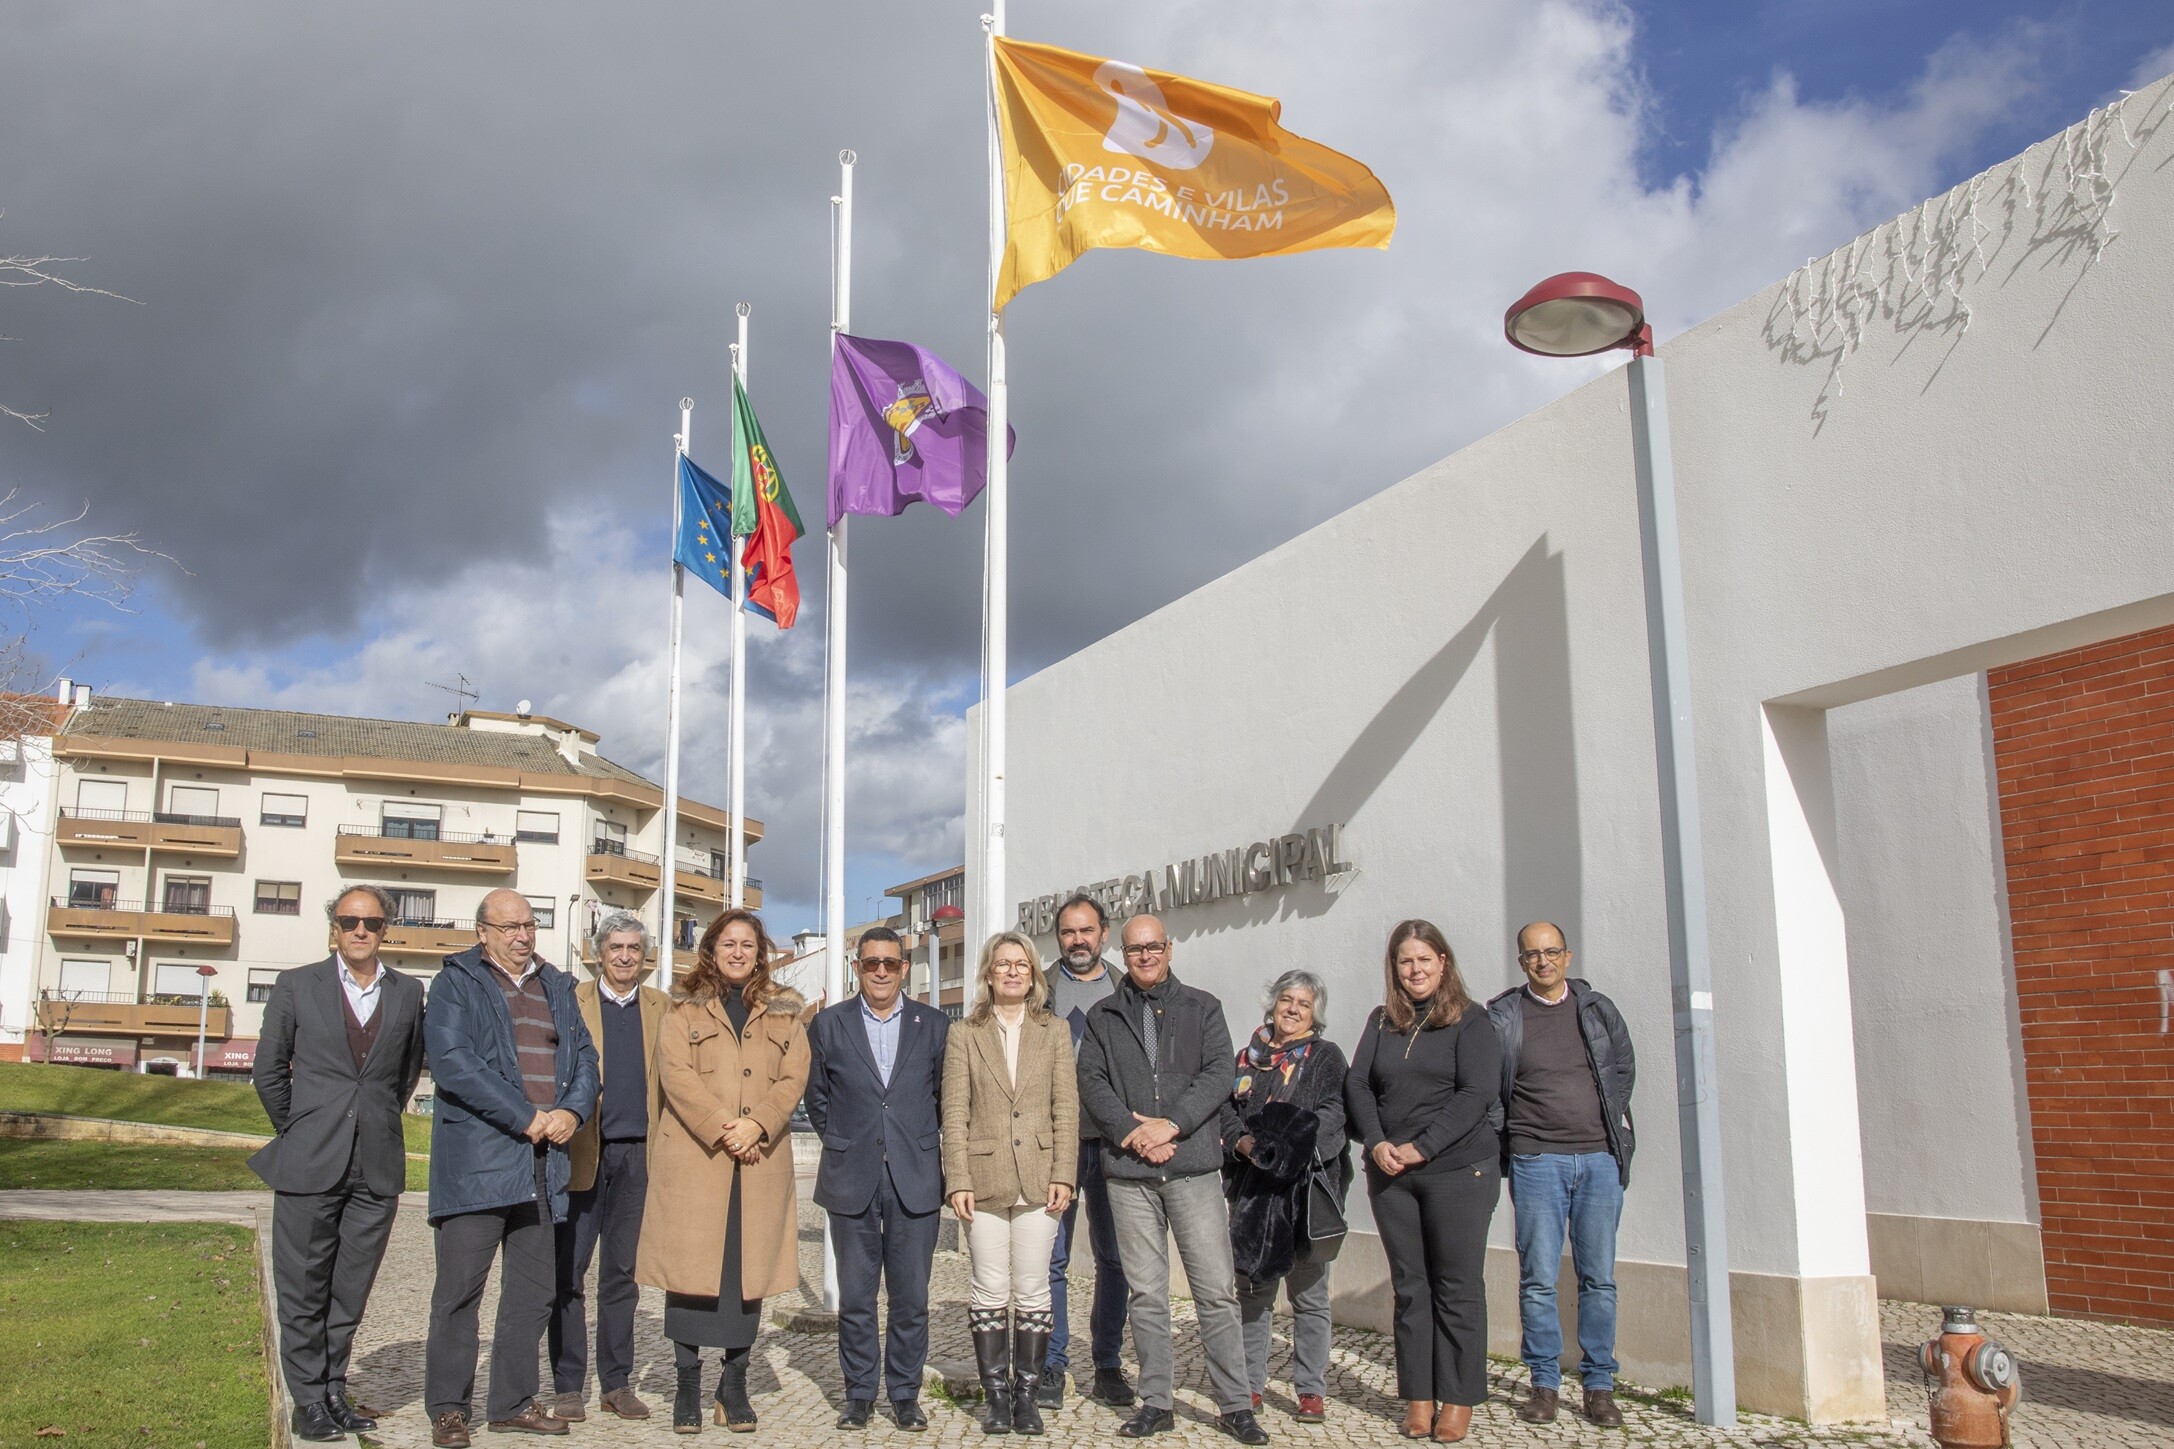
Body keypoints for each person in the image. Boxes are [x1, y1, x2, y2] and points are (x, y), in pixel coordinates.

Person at [1077, 914, 1266, 1446]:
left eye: (1153, 947)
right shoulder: (1103, 1014)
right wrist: (1131, 1133)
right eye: (1135, 949)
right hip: (1129, 1173)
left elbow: (1217, 1077)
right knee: (1147, 1295)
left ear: (1169, 949)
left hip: (1193, 1169)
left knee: (1215, 1292)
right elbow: (1090, 1080)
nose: (1144, 956)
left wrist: (1172, 1124)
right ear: (1124, 952)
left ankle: (1235, 1405)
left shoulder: (1203, 1007)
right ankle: (1157, 1401)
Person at [423, 889, 600, 1446]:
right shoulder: (456, 982)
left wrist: (571, 1111)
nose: (522, 936)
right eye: (509, 928)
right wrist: (526, 1115)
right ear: (482, 932)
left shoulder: (558, 985)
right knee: (459, 1294)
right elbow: (454, 1064)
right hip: (478, 1163)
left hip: (543, 1165)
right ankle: (450, 1409)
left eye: (529, 925)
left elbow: (587, 1060)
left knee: (533, 1292)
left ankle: (513, 1402)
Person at [250, 885, 427, 1442]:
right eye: (350, 921)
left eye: (371, 923)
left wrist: (370, 1120)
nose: (360, 931)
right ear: (334, 926)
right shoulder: (297, 984)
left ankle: (333, 1389)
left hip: (374, 1164)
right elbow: (268, 1072)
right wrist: (300, 1129)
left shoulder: (406, 992)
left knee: (350, 1288)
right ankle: (307, 1398)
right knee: (303, 1286)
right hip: (309, 1160)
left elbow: (403, 1076)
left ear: (385, 930)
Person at [634, 908, 809, 1433]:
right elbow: (676, 1075)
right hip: (696, 1157)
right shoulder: (681, 1009)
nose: (737, 953)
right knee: (689, 1274)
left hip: (757, 1160)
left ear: (761, 954)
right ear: (711, 950)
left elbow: (793, 1076)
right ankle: (686, 1384)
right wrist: (723, 1127)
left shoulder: (785, 1012)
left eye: (748, 945)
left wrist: (756, 1126)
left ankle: (733, 1387)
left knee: (744, 1273)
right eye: (728, 943)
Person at [1346, 920, 1502, 1444]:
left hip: (1458, 1171)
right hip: (1393, 1175)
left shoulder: (1471, 1022)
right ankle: (1419, 1397)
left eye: (1423, 959)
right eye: (1404, 961)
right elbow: (1357, 1084)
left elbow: (1476, 1094)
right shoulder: (1382, 1020)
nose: (1414, 970)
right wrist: (1377, 1141)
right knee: (1412, 1289)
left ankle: (1457, 1400)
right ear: (1394, 968)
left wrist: (1424, 1145)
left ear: (1444, 962)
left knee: (1456, 1288)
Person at [1486, 921, 1635, 1429]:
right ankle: (1544, 1384)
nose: (1543, 961)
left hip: (1598, 1159)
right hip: (1535, 1161)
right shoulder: (1503, 1015)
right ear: (1521, 960)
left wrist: (1607, 1129)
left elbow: (1623, 1071)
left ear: (1567, 957)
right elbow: (1492, 1086)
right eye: (1532, 954)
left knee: (1598, 1279)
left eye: (1552, 952)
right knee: (1538, 1280)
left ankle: (1598, 1387)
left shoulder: (1596, 1009)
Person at [805, 924, 950, 1431]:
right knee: (857, 1296)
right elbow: (816, 1100)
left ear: (905, 967)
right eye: (872, 964)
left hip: (915, 1176)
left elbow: (942, 1099)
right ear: (857, 968)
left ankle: (905, 1394)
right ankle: (860, 1393)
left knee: (911, 1296)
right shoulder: (828, 1025)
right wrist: (848, 1141)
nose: (882, 971)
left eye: (891, 963)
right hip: (852, 1176)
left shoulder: (933, 1025)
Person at [942, 931, 1080, 1435]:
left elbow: (1066, 1107)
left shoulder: (1055, 1030)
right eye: (1003, 964)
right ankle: (995, 1396)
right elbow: (954, 1111)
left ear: (1034, 974)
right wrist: (957, 1176)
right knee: (989, 1288)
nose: (1013, 971)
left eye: (1022, 964)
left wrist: (1065, 1171)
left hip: (1042, 1180)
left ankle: (1027, 1394)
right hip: (982, 1178)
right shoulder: (965, 1032)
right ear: (988, 973)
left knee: (1034, 1288)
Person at [545, 911, 670, 1423]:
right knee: (568, 1273)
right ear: (597, 952)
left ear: (645, 957)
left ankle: (616, 1383)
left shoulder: (664, 1007)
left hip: (638, 1155)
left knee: (622, 1275)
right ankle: (568, 1384)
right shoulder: (571, 1001)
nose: (623, 957)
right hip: (581, 1152)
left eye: (633, 949)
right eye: (615, 947)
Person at [1222, 971, 1349, 1426]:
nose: (1293, 1010)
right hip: (1253, 1193)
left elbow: (1333, 1112)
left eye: (1305, 1004)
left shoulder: (1325, 1057)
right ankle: (1251, 1384)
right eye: (1286, 1000)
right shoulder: (1246, 1058)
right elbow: (1227, 1113)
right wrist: (1243, 1144)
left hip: (1304, 1194)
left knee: (1310, 1297)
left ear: (1316, 1013)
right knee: (1254, 1295)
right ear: (1272, 1003)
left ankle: (1311, 1389)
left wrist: (1292, 1150)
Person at [1042, 895, 1134, 1410]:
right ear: (1059, 938)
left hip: (1114, 1143)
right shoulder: (1040, 991)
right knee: (1051, 1259)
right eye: (1068, 932)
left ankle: (1107, 1363)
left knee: (1114, 1259)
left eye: (1087, 931)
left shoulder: (1127, 987)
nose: (1078, 940)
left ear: (1104, 933)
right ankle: (1053, 1363)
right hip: (1057, 1143)